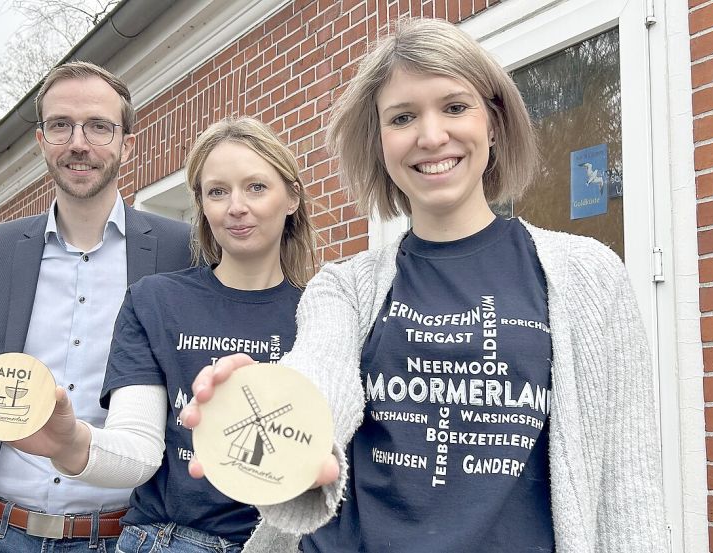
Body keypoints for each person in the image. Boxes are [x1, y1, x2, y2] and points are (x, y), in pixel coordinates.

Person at [183, 17, 667, 553]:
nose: (431, 136)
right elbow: (320, 370)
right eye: (403, 117)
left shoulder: (589, 274)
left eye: (455, 107)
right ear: (380, 141)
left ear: (494, 123)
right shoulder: (344, 288)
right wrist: (290, 413)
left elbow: (630, 487)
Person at [0, 116, 318, 552]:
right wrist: (72, 445)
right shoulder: (156, 301)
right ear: (202, 204)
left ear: (292, 196)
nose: (236, 206)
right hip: (164, 541)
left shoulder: (321, 313)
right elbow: (141, 451)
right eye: (217, 191)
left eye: (256, 187)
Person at [0, 61, 192, 553]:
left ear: (128, 142)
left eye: (99, 126)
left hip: (125, 537)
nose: (79, 143)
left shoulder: (180, 250)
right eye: (61, 125)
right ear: (41, 140)